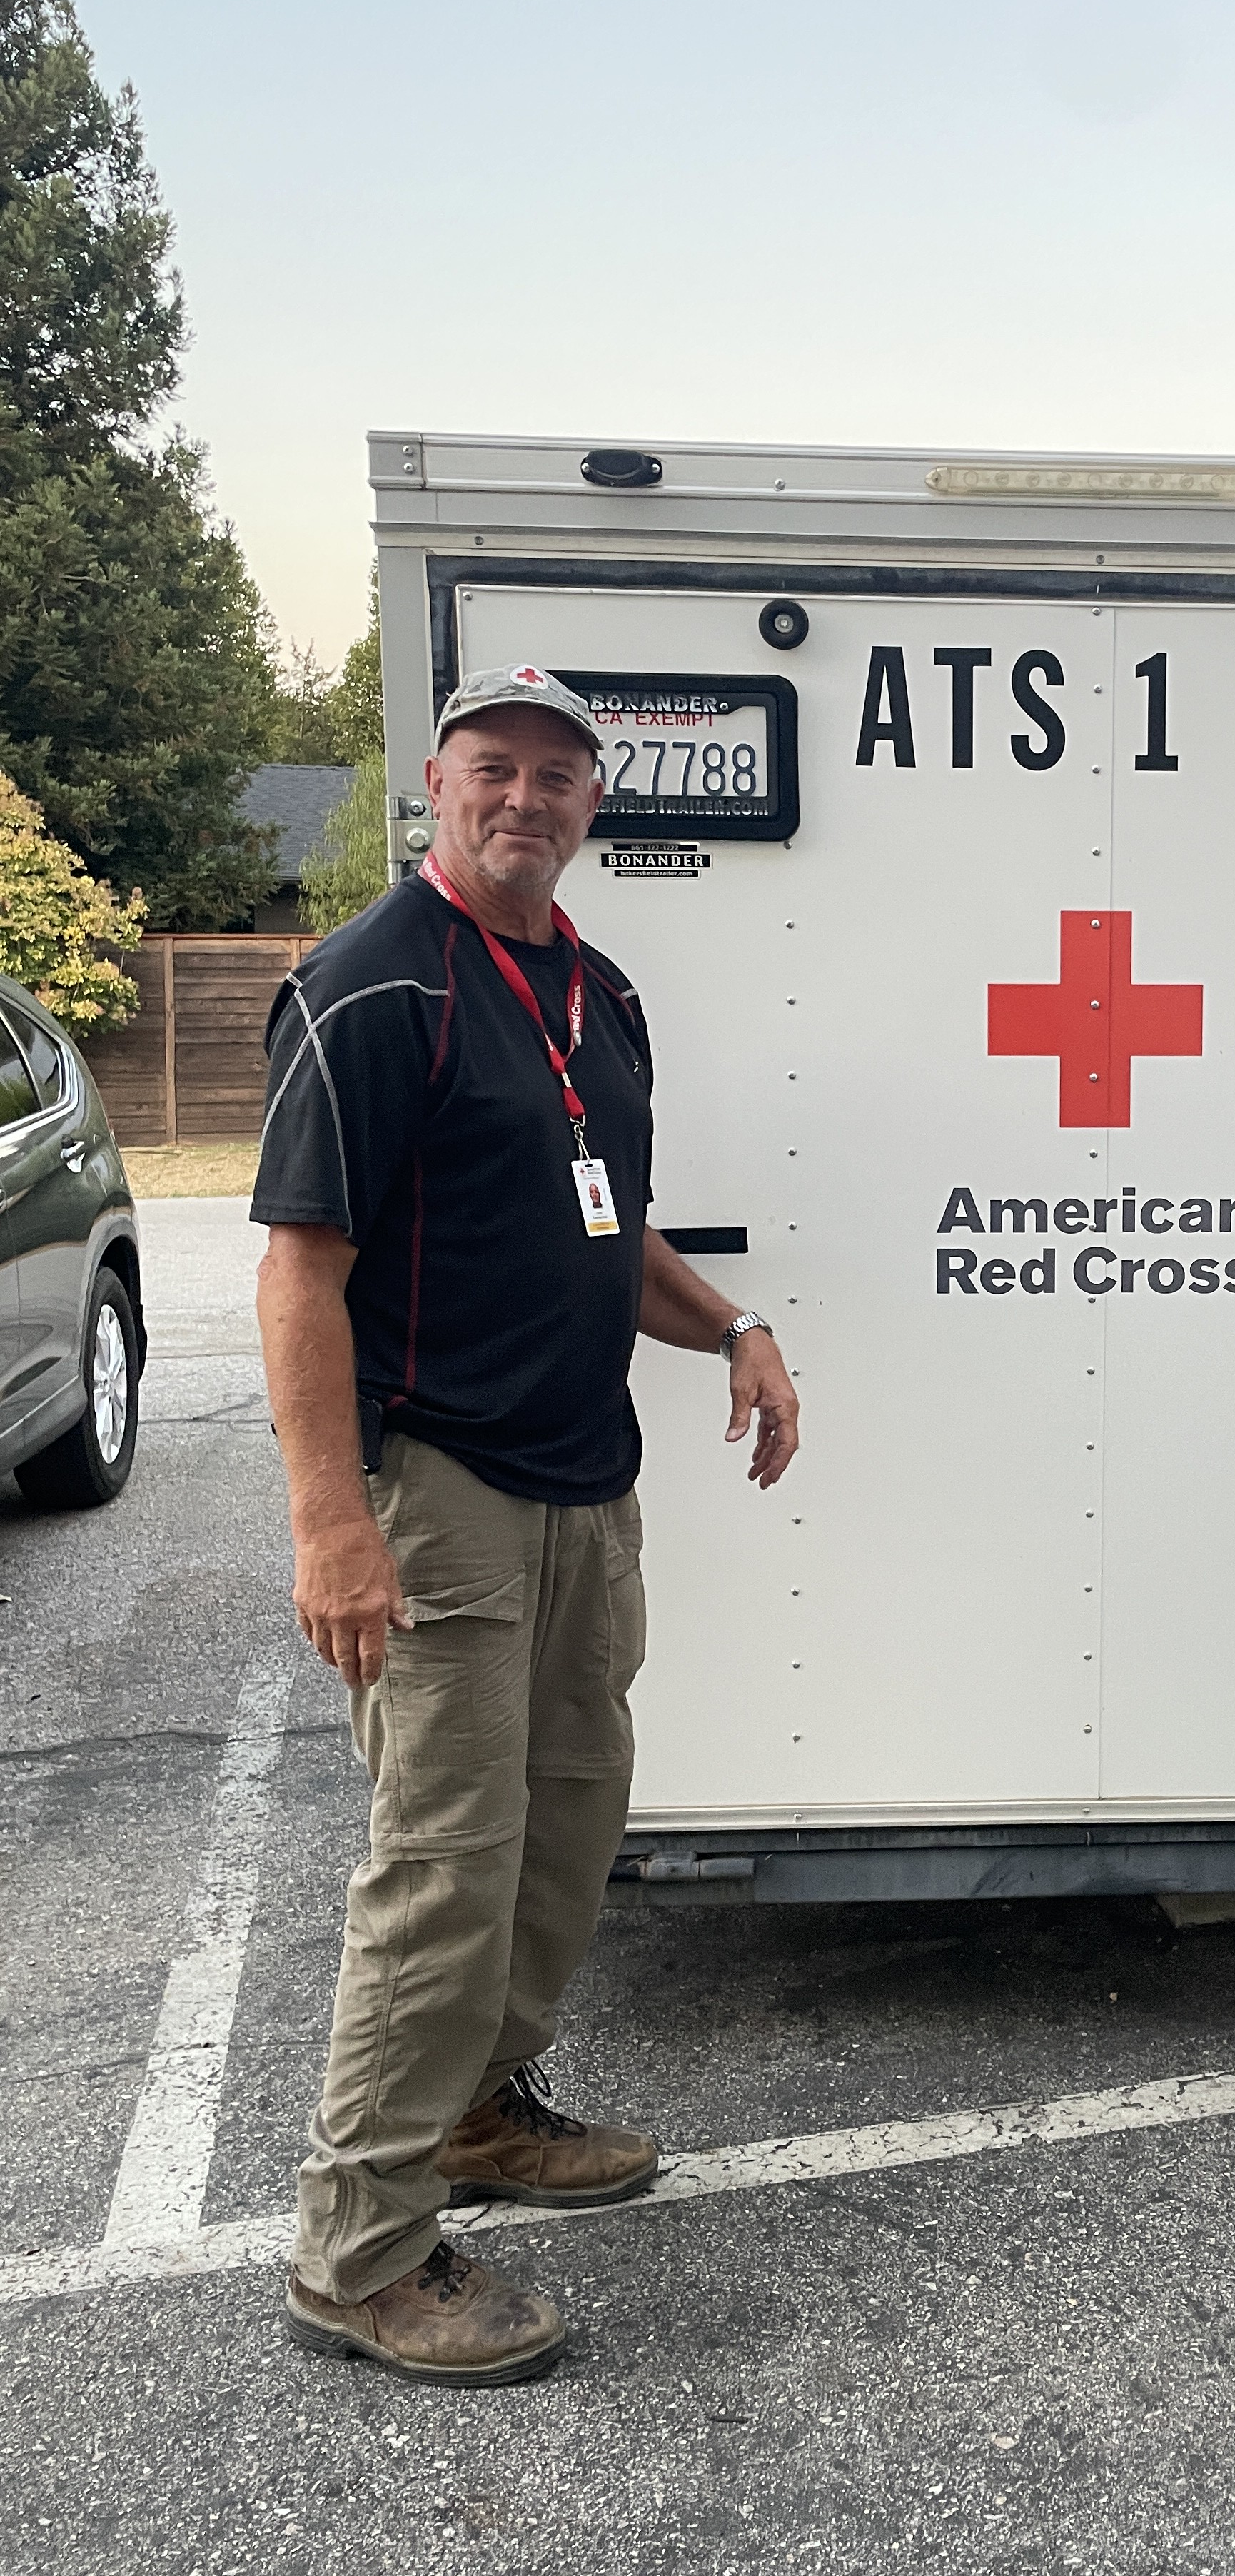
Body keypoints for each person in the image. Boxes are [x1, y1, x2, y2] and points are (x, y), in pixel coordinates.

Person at [253, 663, 800, 2385]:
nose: (525, 798)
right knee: (441, 1864)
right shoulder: (372, 986)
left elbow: (605, 1226)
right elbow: (300, 1272)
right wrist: (331, 1520)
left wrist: (735, 1327)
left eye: (558, 775)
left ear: (591, 807)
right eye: (493, 766)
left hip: (582, 1479)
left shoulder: (597, 994)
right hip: (438, 1493)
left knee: (567, 1827)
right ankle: (357, 2251)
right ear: (437, 783)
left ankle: (481, 2111)